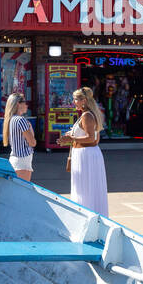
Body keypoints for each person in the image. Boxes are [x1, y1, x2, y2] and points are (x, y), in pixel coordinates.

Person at [60, 86, 108, 215]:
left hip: (85, 155)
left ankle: (86, 216)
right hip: (86, 155)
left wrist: (72, 138)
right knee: (88, 189)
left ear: (84, 101)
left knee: (84, 190)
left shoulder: (87, 116)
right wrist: (70, 138)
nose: (73, 102)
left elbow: (90, 138)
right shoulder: (87, 115)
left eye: (75, 99)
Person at [3, 92, 36, 181]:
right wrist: (30, 128)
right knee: (23, 190)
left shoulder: (11, 119)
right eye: (24, 102)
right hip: (23, 159)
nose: (27, 105)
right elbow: (32, 142)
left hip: (15, 158)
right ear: (18, 103)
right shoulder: (21, 120)